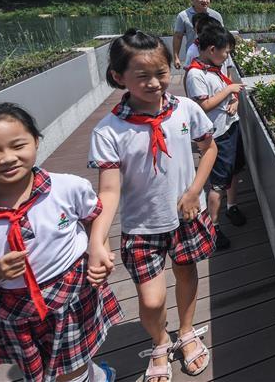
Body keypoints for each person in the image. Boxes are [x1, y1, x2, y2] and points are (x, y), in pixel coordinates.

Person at [0, 103, 122, 382]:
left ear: (36, 141)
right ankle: (98, 375)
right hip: (15, 308)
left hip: (74, 292)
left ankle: (94, 376)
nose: (8, 158)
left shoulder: (68, 188)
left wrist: (100, 249)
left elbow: (94, 218)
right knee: (50, 368)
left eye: (18, 145)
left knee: (71, 368)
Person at [87, 30, 217, 382]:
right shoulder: (109, 130)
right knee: (151, 299)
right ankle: (160, 340)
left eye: (161, 73)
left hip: (186, 215)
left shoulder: (185, 109)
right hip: (142, 225)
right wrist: (97, 241)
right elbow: (108, 191)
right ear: (118, 77)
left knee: (187, 273)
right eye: (142, 76)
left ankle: (186, 331)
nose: (155, 83)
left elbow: (209, 149)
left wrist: (194, 192)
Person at [184, 28, 247, 251]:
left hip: (231, 127)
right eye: (225, 52)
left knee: (234, 171)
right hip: (217, 135)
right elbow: (203, 105)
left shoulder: (213, 68)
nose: (227, 56)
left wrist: (234, 100)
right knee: (218, 183)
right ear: (212, 49)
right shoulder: (196, 74)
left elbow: (226, 95)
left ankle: (232, 206)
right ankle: (214, 226)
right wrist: (229, 89)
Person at [172, 0, 223, 70]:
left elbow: (222, 36)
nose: (205, 1)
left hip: (213, 56)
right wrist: (176, 57)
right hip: (193, 55)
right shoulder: (183, 16)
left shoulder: (216, 15)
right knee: (191, 76)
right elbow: (178, 37)